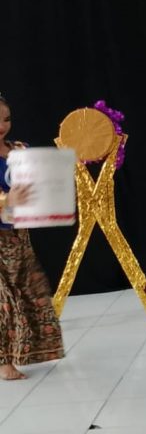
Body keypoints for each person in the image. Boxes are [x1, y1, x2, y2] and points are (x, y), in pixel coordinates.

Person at [0, 95, 64, 380]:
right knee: (3, 299)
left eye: (6, 119)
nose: (2, 126)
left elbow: (37, 187)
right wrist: (7, 200)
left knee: (28, 294)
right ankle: (4, 363)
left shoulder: (18, 150)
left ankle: (22, 354)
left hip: (18, 236)